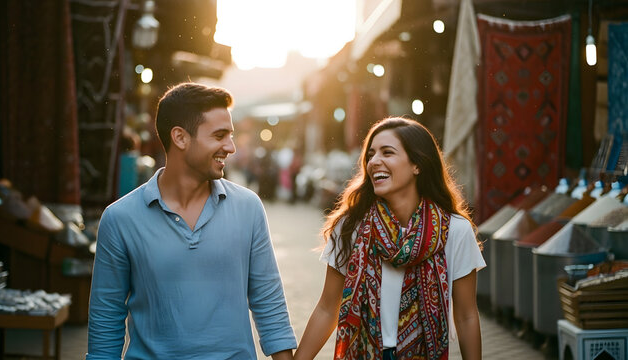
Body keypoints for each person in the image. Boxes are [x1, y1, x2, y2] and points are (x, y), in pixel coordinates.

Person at [87, 82, 296, 359]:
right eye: (220, 135)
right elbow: (106, 319)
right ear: (180, 138)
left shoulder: (248, 208)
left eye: (230, 136)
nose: (231, 147)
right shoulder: (120, 219)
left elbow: (269, 304)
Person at [295, 117, 485, 360]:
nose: (374, 162)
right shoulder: (350, 227)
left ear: (417, 164)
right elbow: (327, 308)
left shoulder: (455, 230)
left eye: (387, 152)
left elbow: (466, 315)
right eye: (371, 154)